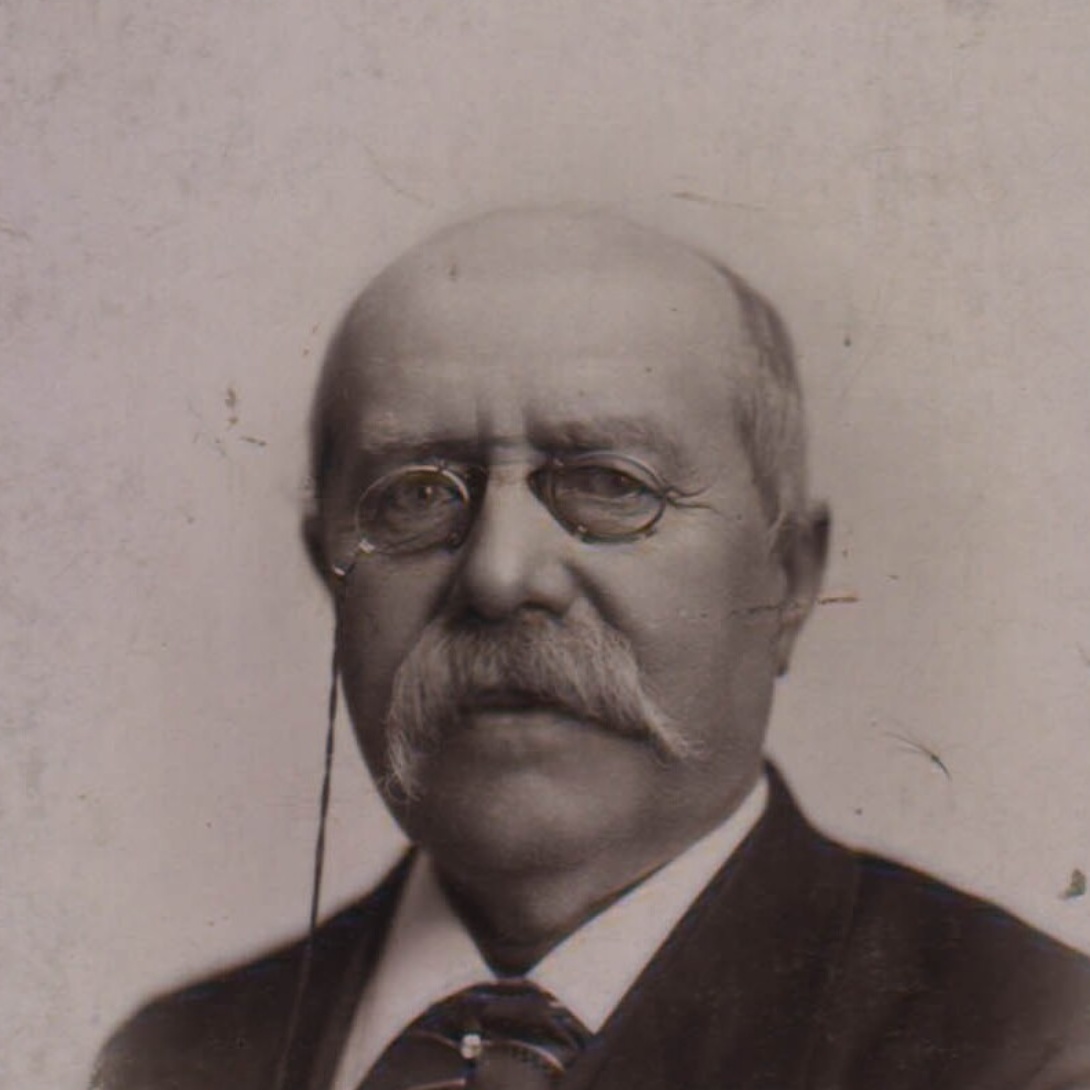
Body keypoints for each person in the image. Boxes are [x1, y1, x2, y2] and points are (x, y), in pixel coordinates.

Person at [93, 208, 1090, 1090]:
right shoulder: (169, 1062)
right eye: (416, 495)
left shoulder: (1029, 1048)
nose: (499, 575)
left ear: (788, 579)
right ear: (331, 571)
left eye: (611, 485)